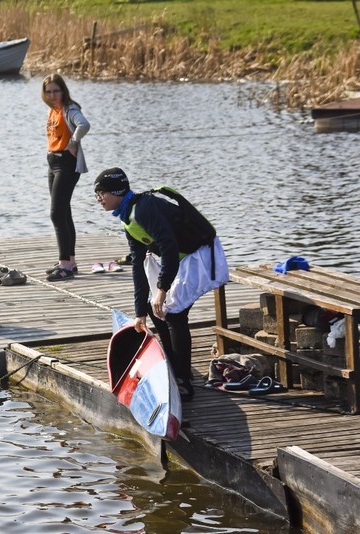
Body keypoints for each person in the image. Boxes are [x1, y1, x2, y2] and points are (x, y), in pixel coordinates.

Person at [94, 168, 229, 400]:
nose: (98, 199)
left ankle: (184, 381)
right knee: (153, 309)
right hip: (183, 257)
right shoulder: (128, 219)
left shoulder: (145, 209)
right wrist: (139, 313)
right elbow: (137, 266)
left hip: (203, 253)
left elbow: (168, 247)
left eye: (101, 193)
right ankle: (174, 365)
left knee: (174, 313)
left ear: (116, 191)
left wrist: (162, 289)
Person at [41, 73, 90, 281]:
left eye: (56, 91)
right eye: (49, 91)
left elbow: (84, 125)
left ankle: (65, 266)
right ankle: (70, 261)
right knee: (64, 211)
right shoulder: (52, 110)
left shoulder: (70, 108)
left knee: (57, 213)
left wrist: (72, 143)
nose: (53, 95)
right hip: (53, 163)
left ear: (63, 90)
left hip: (66, 164)